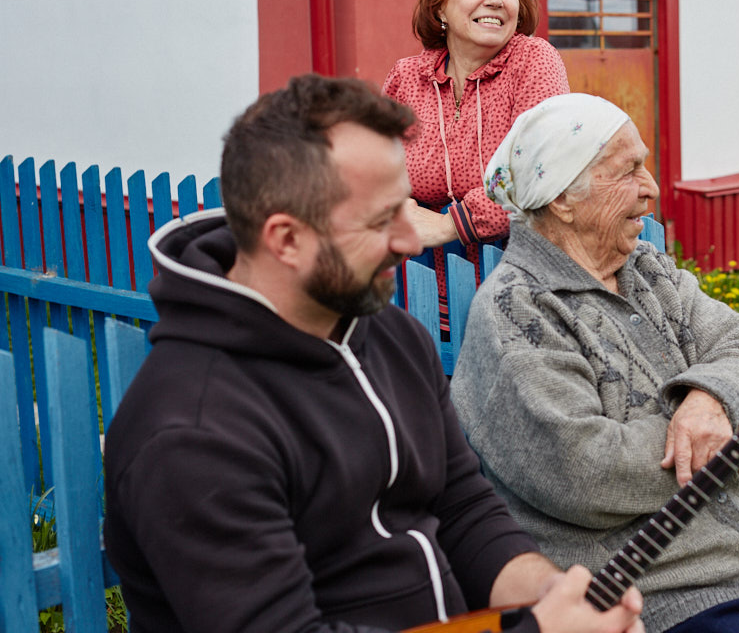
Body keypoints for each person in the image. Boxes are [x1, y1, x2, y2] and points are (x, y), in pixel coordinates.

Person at [103, 75, 642, 633]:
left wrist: (551, 592)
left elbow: (461, 508)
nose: (412, 241)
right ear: (285, 239)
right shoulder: (192, 431)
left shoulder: (391, 335)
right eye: (381, 220)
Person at [450, 94, 739, 633]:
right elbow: (584, 472)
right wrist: (719, 441)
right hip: (648, 599)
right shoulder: (516, 310)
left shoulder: (647, 270)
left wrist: (709, 400)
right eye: (628, 171)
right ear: (562, 198)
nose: (650, 187)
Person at [382, 0, 569, 336]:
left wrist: (452, 224)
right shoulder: (407, 79)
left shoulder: (534, 61)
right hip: (421, 294)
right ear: (441, 9)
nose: (495, 0)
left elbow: (539, 169)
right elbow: (375, 171)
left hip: (525, 292)